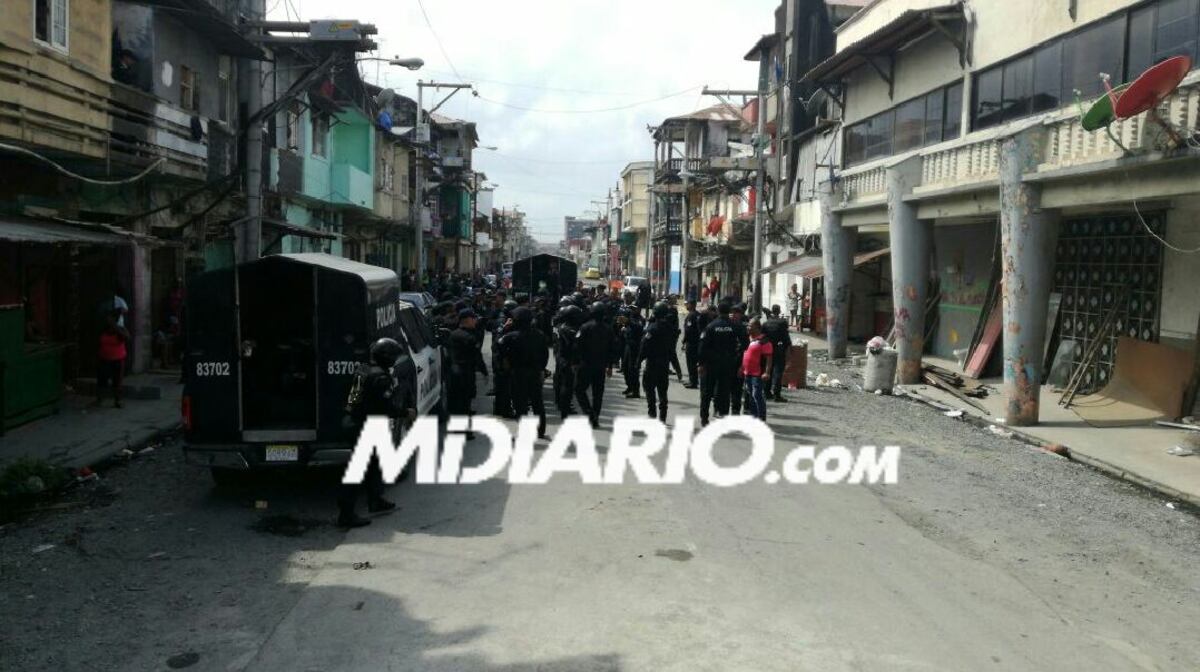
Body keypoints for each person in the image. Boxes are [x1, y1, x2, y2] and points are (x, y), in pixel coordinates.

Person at [338, 338, 405, 528]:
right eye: (392, 357)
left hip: (354, 420)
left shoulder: (364, 368)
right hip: (364, 426)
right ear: (386, 357)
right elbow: (386, 406)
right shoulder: (380, 378)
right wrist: (405, 412)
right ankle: (346, 514)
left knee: (375, 463)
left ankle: (376, 500)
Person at [500, 307, 550, 439]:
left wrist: (504, 329)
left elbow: (498, 347)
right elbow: (545, 354)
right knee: (537, 402)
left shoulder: (511, 336)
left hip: (518, 372)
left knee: (520, 403)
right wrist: (542, 369)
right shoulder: (539, 335)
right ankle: (540, 430)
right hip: (535, 372)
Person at [447, 309, 488, 436]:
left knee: (455, 401)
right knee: (465, 402)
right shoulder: (469, 337)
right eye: (473, 318)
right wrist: (484, 371)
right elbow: (477, 356)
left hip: (454, 372)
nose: (475, 321)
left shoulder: (453, 334)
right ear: (468, 320)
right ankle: (465, 431)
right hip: (465, 372)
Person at [575, 302, 617, 429]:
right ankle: (595, 417)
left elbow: (577, 346)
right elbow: (612, 349)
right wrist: (610, 366)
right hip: (600, 367)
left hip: (586, 365)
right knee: (597, 394)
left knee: (579, 390)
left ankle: (589, 414)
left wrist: (575, 362)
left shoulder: (585, 327)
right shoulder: (608, 329)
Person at [697, 302, 738, 427]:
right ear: (729, 311)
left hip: (711, 364)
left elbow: (702, 347)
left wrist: (701, 363)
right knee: (724, 391)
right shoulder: (734, 326)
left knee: (707, 392)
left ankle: (704, 418)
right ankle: (723, 416)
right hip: (728, 364)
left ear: (718, 311)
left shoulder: (711, 326)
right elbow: (744, 343)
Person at [638, 302, 676, 422]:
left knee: (649, 388)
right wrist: (677, 368)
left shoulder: (652, 328)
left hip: (652, 364)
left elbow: (644, 346)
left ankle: (652, 412)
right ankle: (663, 416)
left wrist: (638, 361)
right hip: (664, 364)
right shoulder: (671, 329)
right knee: (662, 391)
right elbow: (672, 350)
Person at [553, 305, 583, 418]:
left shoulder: (563, 326)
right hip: (567, 359)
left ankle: (563, 406)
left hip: (562, 357)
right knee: (567, 385)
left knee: (564, 383)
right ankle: (564, 409)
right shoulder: (570, 330)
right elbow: (575, 346)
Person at [741, 319, 773, 422]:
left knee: (757, 395)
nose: (748, 327)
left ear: (757, 328)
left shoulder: (764, 341)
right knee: (750, 396)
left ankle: (761, 418)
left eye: (750, 326)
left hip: (757, 374)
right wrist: (741, 368)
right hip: (747, 372)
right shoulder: (748, 339)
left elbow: (769, 358)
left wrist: (767, 372)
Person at [96, 310, 129, 408]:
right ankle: (100, 399)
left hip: (118, 359)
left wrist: (115, 326)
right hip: (104, 358)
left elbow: (127, 337)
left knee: (117, 381)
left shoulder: (120, 330)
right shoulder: (103, 329)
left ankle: (117, 400)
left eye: (111, 318)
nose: (108, 320)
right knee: (102, 380)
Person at [762, 305, 792, 402]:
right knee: (778, 371)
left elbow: (763, 337)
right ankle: (777, 394)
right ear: (779, 311)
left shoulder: (766, 323)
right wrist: (788, 348)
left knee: (768, 370)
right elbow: (785, 337)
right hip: (778, 348)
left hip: (767, 349)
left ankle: (767, 392)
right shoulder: (782, 322)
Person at [728, 304, 750, 415]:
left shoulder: (743, 329)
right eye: (732, 313)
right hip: (725, 363)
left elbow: (746, 349)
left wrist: (742, 366)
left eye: (736, 313)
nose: (733, 315)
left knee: (737, 388)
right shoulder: (725, 326)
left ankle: (735, 411)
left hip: (738, 363)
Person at [620, 306, 644, 398]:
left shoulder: (640, 319)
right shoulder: (630, 318)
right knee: (625, 368)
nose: (632, 310)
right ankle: (630, 387)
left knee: (633, 370)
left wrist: (628, 322)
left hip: (635, 347)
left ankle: (635, 391)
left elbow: (639, 328)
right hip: (628, 345)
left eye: (634, 309)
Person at [682, 300, 701, 389]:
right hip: (697, 342)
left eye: (687, 304)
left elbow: (689, 330)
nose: (686, 305)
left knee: (691, 363)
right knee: (694, 362)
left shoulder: (691, 315)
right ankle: (693, 380)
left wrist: (684, 341)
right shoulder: (697, 314)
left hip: (691, 343)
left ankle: (693, 381)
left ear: (692, 305)